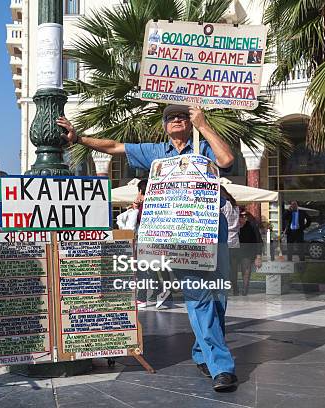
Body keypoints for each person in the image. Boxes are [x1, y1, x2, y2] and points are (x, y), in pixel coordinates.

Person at [57, 104, 238, 391]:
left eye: (183, 116)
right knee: (199, 297)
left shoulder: (203, 147)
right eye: (172, 118)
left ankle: (202, 352)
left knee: (218, 300)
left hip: (211, 229)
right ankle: (222, 367)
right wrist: (79, 139)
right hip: (178, 235)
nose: (178, 120)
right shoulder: (155, 153)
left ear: (191, 122)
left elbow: (227, 159)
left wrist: (203, 125)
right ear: (165, 126)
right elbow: (114, 145)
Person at [221, 187, 241, 295]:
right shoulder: (235, 206)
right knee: (234, 267)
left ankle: (225, 287)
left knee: (225, 266)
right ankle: (235, 287)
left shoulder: (224, 205)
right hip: (235, 240)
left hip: (226, 239)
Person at [238, 210, 263, 295]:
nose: (241, 219)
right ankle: (234, 288)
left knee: (245, 265)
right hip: (234, 250)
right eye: (240, 217)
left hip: (248, 251)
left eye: (243, 217)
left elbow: (259, 240)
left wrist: (258, 256)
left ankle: (245, 289)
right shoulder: (233, 226)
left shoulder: (252, 226)